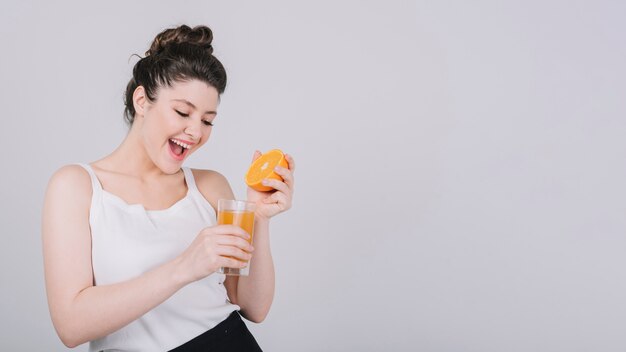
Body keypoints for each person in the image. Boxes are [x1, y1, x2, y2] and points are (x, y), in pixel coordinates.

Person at [42, 24, 295, 351]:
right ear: (142, 101)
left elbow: (253, 307)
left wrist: (259, 218)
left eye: (207, 120)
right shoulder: (76, 187)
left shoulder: (209, 187)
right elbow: (70, 325)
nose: (194, 132)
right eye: (182, 112)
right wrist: (185, 267)